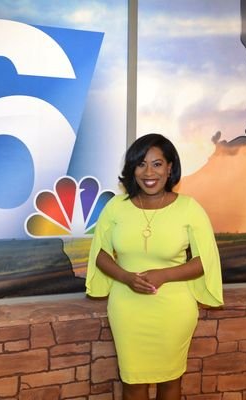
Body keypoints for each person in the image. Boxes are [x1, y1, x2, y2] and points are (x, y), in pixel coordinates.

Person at [85, 133, 223, 400]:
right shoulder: (116, 207)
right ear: (132, 169)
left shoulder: (189, 208)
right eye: (141, 164)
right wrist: (126, 277)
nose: (149, 172)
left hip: (173, 310)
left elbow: (204, 261)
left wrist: (164, 275)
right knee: (132, 382)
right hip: (127, 309)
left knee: (170, 381)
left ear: (170, 168)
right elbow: (100, 255)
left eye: (157, 164)